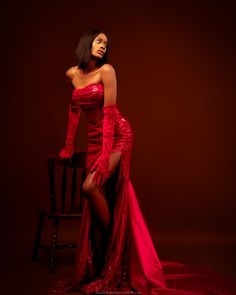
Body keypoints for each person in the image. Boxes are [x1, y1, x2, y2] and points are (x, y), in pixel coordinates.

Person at [49, 29, 236, 295]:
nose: (103, 46)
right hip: (93, 140)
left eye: (106, 43)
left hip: (117, 137)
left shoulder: (107, 71)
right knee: (99, 193)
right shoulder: (72, 74)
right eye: (98, 41)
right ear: (86, 43)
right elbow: (74, 108)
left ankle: (118, 242)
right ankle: (116, 245)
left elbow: (111, 114)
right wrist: (68, 144)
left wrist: (104, 157)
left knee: (90, 187)